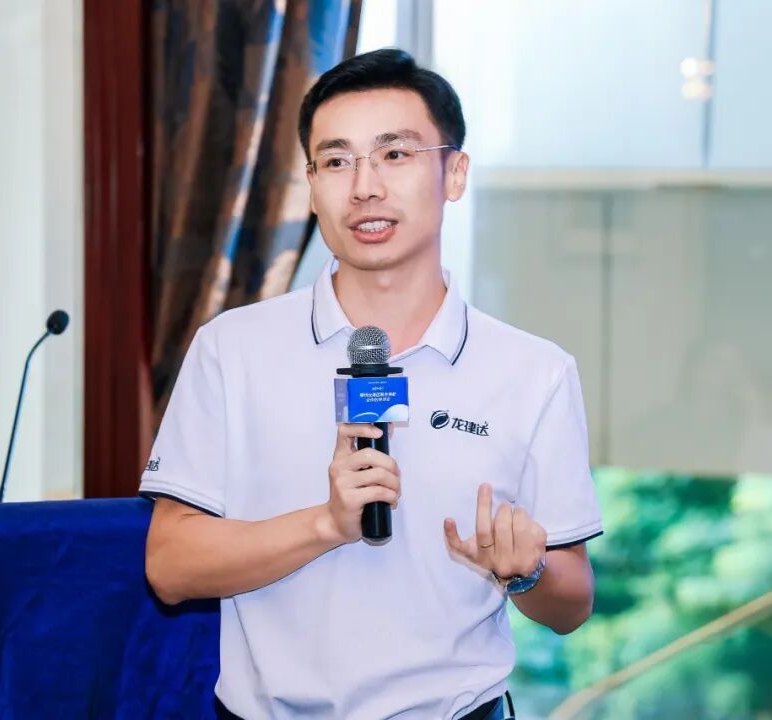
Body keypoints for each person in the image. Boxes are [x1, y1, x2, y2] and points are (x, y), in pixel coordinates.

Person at [141, 48, 602, 720]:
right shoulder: (230, 349)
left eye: (395, 154)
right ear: (310, 185)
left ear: (454, 173)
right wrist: (325, 524)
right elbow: (169, 566)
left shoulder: (534, 372)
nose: (364, 187)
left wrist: (525, 571)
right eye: (336, 162)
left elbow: (572, 603)